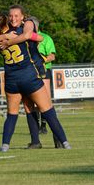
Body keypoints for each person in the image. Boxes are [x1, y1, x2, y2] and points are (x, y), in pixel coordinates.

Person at [0, 4, 71, 152]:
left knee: (13, 114)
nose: (13, 18)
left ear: (22, 17)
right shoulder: (20, 30)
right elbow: (36, 37)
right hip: (29, 76)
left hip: (11, 81)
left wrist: (5, 38)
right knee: (47, 110)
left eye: (16, 16)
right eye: (11, 16)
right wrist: (17, 38)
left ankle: (5, 146)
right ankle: (64, 142)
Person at [0, 11, 44, 149]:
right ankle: (48, 140)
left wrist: (7, 38)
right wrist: (28, 34)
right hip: (33, 69)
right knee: (41, 107)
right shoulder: (18, 32)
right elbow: (40, 38)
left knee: (25, 109)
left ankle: (11, 144)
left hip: (15, 76)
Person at [27, 16, 63, 148]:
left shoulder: (46, 38)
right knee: (31, 105)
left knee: (46, 104)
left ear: (34, 26)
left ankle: (58, 137)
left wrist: (40, 61)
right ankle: (36, 138)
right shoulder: (24, 38)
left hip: (43, 73)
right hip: (29, 74)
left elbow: (52, 56)